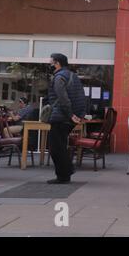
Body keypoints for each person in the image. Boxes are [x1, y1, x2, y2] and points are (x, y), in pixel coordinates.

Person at [46, 53, 86, 184]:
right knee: (60, 145)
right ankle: (66, 174)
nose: (50, 65)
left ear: (57, 63)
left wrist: (70, 114)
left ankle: (64, 174)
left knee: (55, 147)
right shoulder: (73, 76)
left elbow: (63, 99)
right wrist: (79, 115)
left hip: (61, 116)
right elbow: (81, 97)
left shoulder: (59, 77)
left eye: (51, 62)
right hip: (69, 117)